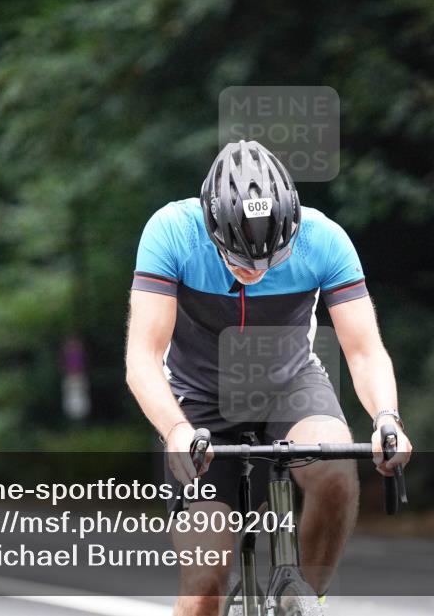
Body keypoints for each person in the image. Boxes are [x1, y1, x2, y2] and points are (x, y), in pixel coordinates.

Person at [125, 140, 412, 616]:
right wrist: (175, 430)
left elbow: (364, 351)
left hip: (290, 387)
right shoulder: (171, 232)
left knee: (337, 473)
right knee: (203, 586)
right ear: (210, 226)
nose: (256, 270)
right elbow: (142, 358)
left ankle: (306, 599)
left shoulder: (324, 238)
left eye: (272, 258)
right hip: (198, 404)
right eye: (239, 260)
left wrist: (387, 418)